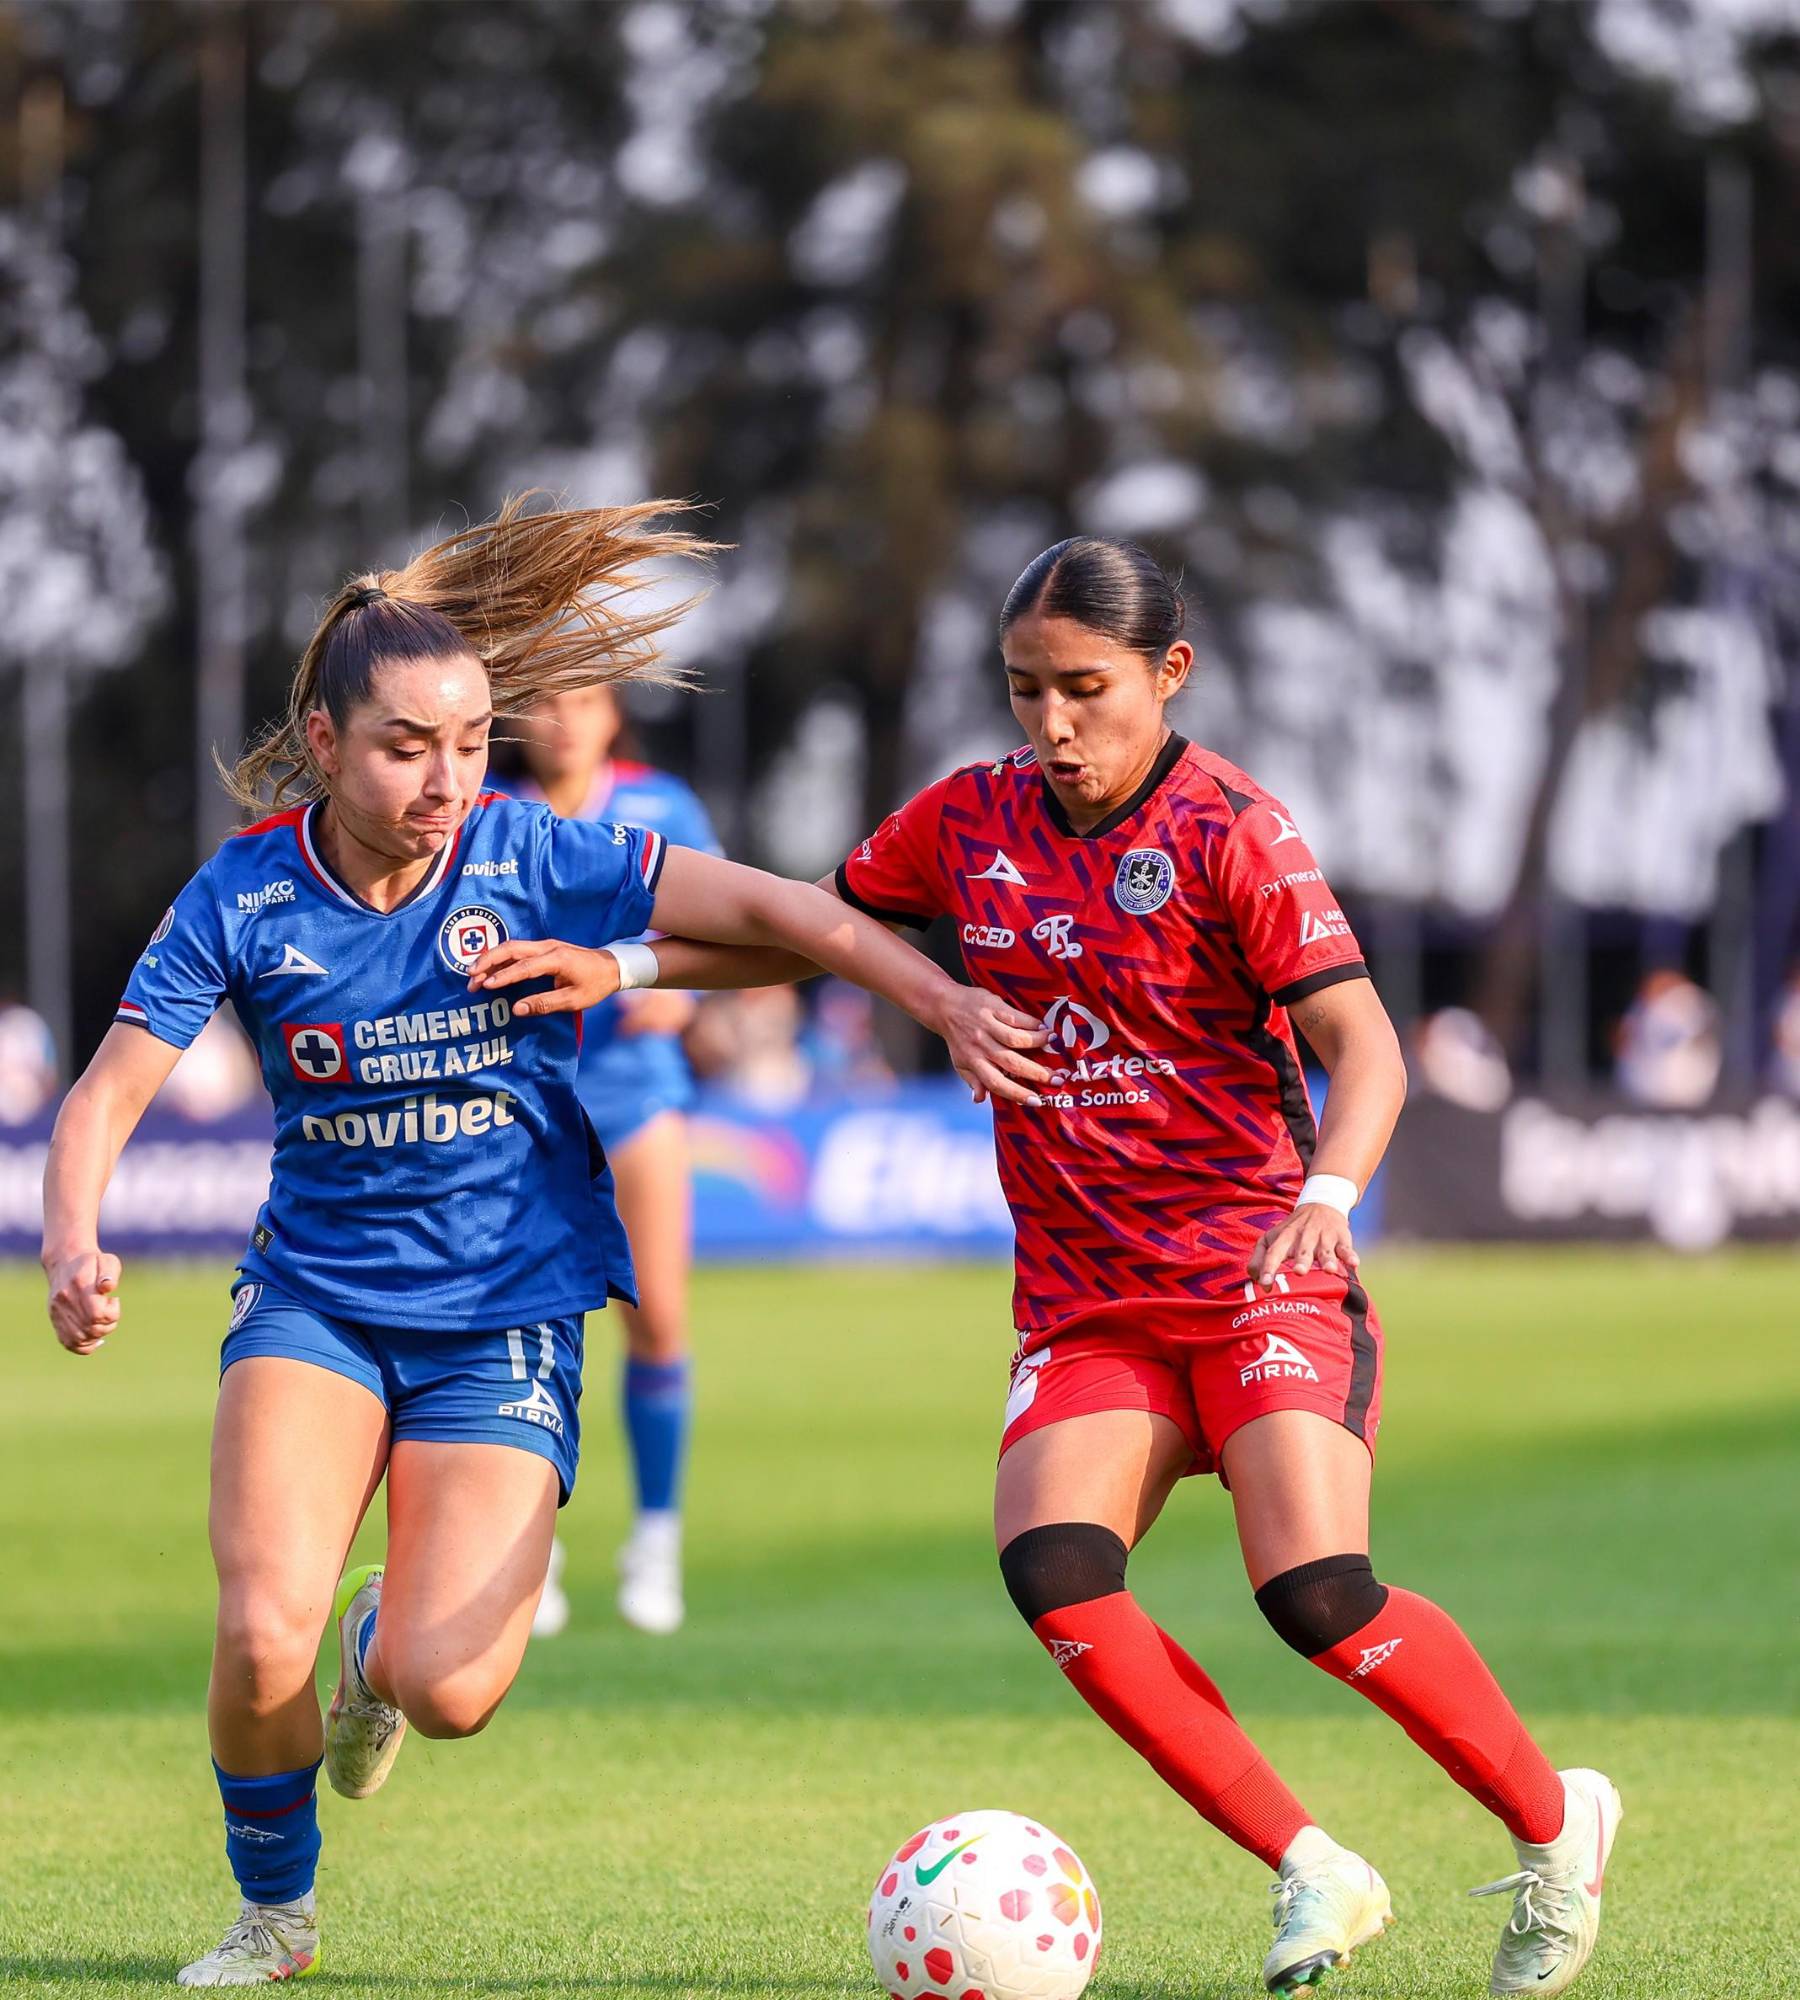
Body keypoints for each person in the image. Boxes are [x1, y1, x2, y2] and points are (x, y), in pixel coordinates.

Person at [475, 538, 1623, 2000]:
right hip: (1091, 1301)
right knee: (1058, 1572)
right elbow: (810, 933)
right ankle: (1312, 1865)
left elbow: (1368, 1047)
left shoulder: (1234, 833)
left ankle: (1554, 1822)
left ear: (1169, 676)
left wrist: (1331, 1191)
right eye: (1027, 690)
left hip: (1258, 1271)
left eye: (1086, 689)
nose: (1055, 723)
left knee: (1315, 1593)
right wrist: (629, 969)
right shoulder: (969, 820)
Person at [40, 498, 1044, 1989]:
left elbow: (791, 917)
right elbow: (108, 1091)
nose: (448, 778)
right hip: (315, 1301)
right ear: (324, 742)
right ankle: (274, 1915)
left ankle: (389, 1643)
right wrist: (73, 1237)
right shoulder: (245, 891)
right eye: (405, 746)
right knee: (260, 1635)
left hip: (505, 1313)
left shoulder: (530, 851)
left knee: (445, 1692)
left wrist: (935, 1000)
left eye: (468, 741)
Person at [507, 685, 724, 1636]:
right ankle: (526, 1551)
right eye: (544, 702)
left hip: (639, 1099)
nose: (562, 719)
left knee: (658, 1323)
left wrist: (686, 999)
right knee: (521, 1333)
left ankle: (656, 1542)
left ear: (609, 717)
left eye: (582, 701)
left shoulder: (664, 805)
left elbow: (722, 926)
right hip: (520, 1108)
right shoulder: (488, 811)